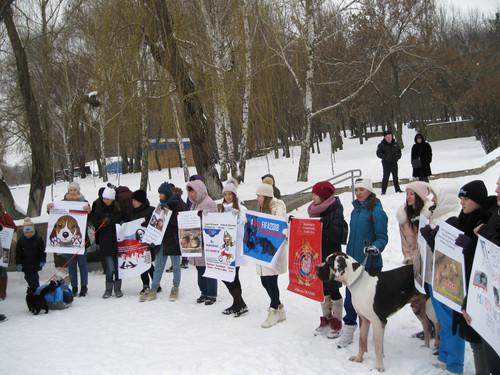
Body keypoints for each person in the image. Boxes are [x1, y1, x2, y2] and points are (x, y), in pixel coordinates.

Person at [447, 181, 493, 375]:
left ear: (477, 200)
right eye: (461, 198)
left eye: (466, 199)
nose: (462, 202)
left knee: (482, 338)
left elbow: (487, 259)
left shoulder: (487, 222)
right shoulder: (463, 219)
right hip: (464, 284)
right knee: (473, 338)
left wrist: (471, 246)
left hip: (481, 289)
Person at [419, 181, 464, 375]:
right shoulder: (436, 215)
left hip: (447, 278)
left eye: (434, 194)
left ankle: (455, 364)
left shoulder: (451, 218)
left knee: (450, 321)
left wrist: (432, 238)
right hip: (433, 275)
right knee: (442, 320)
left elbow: (450, 251)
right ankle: (445, 355)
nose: (431, 198)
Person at [338, 178, 388, 347]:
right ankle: (349, 328)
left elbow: (382, 237)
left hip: (370, 263)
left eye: (361, 189)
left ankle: (374, 329)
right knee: (350, 299)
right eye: (356, 189)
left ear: (369, 191)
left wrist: (375, 247)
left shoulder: (377, 212)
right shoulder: (355, 211)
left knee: (369, 301)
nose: (358, 192)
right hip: (352, 265)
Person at [307, 181, 345, 338]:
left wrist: (323, 227)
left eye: (315, 194)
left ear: (323, 196)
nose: (313, 197)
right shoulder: (314, 209)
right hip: (318, 253)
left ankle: (336, 322)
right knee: (322, 288)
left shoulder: (335, 209)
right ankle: (326, 319)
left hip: (332, 255)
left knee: (333, 287)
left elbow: (337, 234)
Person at [141, 183, 187, 302]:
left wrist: (168, 212)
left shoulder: (178, 204)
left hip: (174, 240)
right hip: (161, 241)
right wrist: (149, 225)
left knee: (176, 266)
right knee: (159, 266)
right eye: (159, 193)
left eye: (161, 193)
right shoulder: (161, 205)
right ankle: (154, 288)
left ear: (166, 194)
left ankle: (175, 287)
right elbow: (158, 221)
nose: (160, 196)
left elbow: (179, 223)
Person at [47, 182, 92, 297]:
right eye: (71, 189)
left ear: (78, 191)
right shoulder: (62, 204)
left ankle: (84, 286)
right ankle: (74, 287)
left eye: (75, 190)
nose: (72, 192)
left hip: (80, 240)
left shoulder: (84, 203)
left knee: (82, 264)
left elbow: (90, 219)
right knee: (71, 265)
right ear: (68, 191)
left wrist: (89, 212)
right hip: (66, 243)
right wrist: (49, 208)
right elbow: (54, 214)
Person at [475, 175, 500, 373]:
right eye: (498, 184)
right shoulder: (495, 215)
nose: (497, 190)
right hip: (491, 306)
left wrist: (486, 234)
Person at [255, 181, 288, 328]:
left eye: (259, 196)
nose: (257, 198)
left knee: (271, 281)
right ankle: (280, 307)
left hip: (273, 252)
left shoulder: (277, 209)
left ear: (266, 196)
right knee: (264, 281)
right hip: (262, 251)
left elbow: (280, 228)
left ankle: (274, 309)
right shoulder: (263, 208)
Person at [218, 179, 248, 317]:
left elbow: (243, 224)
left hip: (236, 249)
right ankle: (238, 303)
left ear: (234, 195)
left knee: (231, 277)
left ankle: (240, 303)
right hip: (225, 248)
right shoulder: (222, 208)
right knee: (229, 277)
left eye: (230, 194)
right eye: (226, 194)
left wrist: (237, 218)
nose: (228, 197)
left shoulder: (241, 208)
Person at [187, 179, 218, 305]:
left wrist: (203, 215)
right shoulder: (193, 204)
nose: (191, 194)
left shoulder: (209, 203)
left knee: (208, 268)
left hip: (207, 242)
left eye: (192, 191)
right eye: (189, 192)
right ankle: (203, 292)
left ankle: (211, 294)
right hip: (195, 241)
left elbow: (215, 221)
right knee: (200, 269)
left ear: (199, 190)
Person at [89, 187, 124, 298]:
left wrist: (121, 222)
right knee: (110, 268)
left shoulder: (118, 208)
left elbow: (122, 219)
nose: (105, 200)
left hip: (117, 241)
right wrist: (102, 222)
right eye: (104, 198)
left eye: (108, 198)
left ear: (112, 199)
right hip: (105, 242)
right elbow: (95, 222)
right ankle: (108, 289)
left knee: (118, 267)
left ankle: (117, 288)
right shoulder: (99, 207)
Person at [129, 189, 155, 295]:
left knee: (148, 263)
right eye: (133, 200)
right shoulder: (133, 212)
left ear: (141, 201)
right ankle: (145, 285)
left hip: (149, 243)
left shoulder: (151, 210)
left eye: (135, 201)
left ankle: (156, 283)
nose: (133, 203)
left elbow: (156, 224)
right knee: (141, 264)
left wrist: (147, 223)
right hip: (137, 244)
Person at [15, 218, 46, 290]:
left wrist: (42, 260)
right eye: (26, 233)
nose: (29, 234)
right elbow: (18, 252)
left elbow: (42, 251)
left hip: (35, 262)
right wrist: (18, 263)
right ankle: (33, 288)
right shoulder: (21, 240)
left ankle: (36, 291)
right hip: (25, 264)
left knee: (34, 278)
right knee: (27, 277)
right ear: (24, 232)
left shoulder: (38, 239)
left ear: (33, 231)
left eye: (31, 232)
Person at [376, 130, 402, 194]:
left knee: (395, 177)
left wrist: (397, 157)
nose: (389, 138)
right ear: (385, 137)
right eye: (387, 137)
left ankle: (397, 189)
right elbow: (378, 153)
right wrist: (385, 157)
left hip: (394, 162)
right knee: (386, 177)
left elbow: (399, 152)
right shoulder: (381, 144)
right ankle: (383, 191)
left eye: (390, 137)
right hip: (386, 163)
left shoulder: (395, 144)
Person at [0, 201, 16, 300]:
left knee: (2, 270)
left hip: (4, 247)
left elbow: (14, 227)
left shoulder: (4, 215)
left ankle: (2, 293)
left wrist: (4, 229)